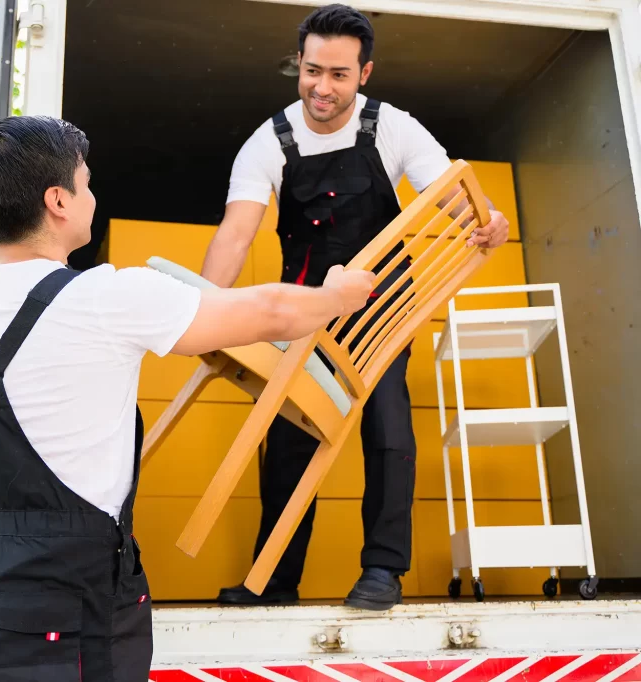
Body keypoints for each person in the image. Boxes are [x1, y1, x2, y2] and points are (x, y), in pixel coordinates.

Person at [0, 114, 375, 681]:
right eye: (87, 181)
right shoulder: (102, 295)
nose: (92, 194)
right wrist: (335, 295)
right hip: (58, 623)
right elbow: (268, 313)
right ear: (58, 200)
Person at [202, 4, 511, 611]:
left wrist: (488, 221)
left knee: (388, 428)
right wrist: (201, 311)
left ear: (364, 73)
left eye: (339, 75)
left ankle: (383, 572)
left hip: (383, 305)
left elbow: (452, 196)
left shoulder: (393, 127)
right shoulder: (269, 140)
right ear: (299, 64)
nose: (322, 87)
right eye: (312, 70)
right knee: (289, 444)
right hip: (304, 308)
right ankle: (273, 581)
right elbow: (235, 235)